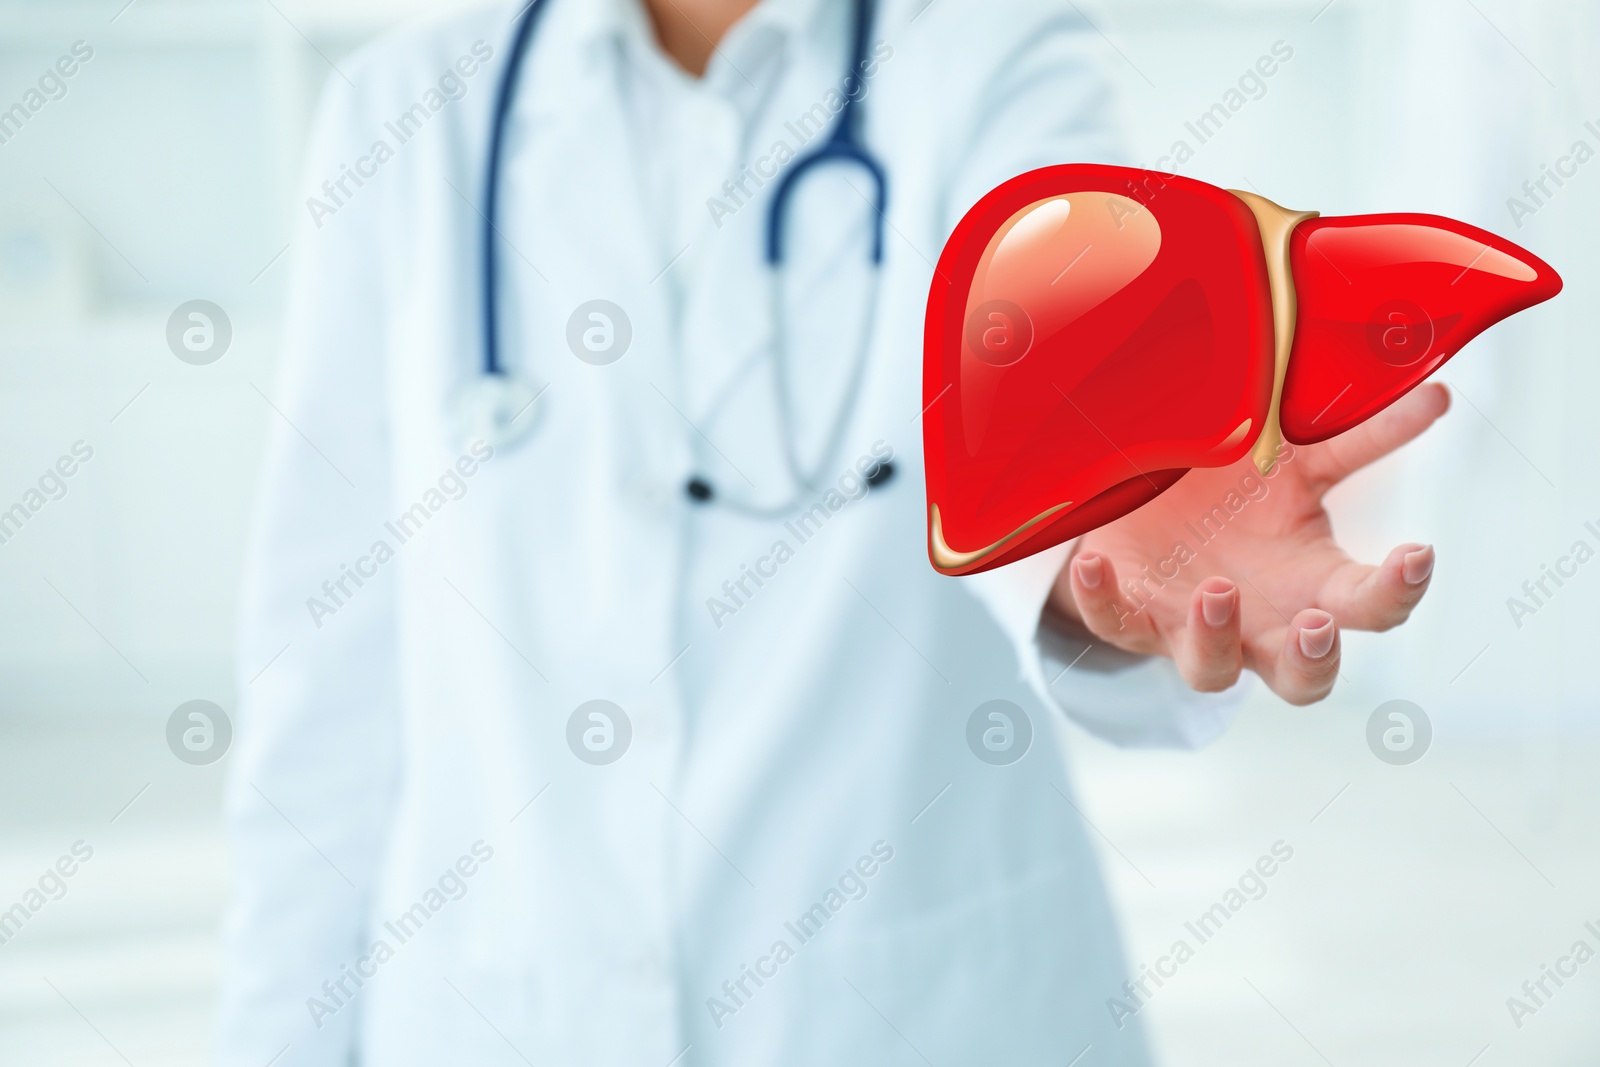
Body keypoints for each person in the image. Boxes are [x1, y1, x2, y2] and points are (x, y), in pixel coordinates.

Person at [217, 0, 1446, 1063]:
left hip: (913, 1003)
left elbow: (1065, 367)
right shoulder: (402, 116)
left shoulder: (988, 53)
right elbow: (324, 671)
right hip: (502, 1008)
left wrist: (1109, 547)